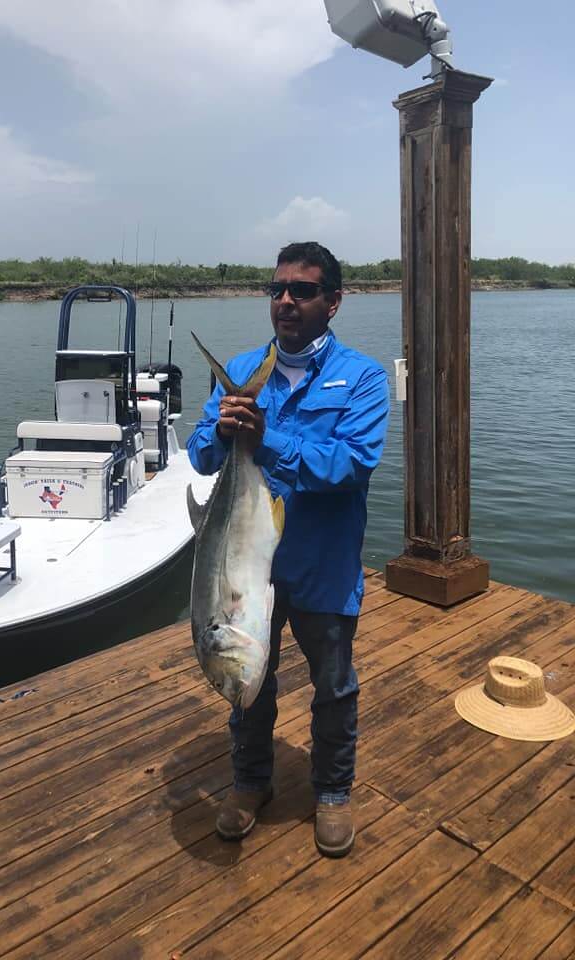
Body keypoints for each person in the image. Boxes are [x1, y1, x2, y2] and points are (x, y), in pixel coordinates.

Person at [187, 241, 389, 857]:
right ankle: (251, 782)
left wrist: (266, 441)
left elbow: (351, 466)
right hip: (246, 568)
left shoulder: (364, 378)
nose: (285, 301)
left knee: (333, 685)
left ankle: (332, 791)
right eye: (277, 289)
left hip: (321, 566)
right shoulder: (248, 368)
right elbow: (198, 454)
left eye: (301, 290)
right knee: (250, 678)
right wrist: (223, 433)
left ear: (333, 301)